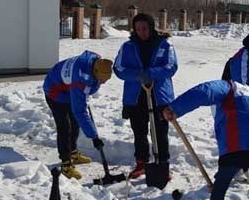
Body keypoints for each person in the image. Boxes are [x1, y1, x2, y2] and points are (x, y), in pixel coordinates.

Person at [114, 13, 178, 180]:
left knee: (160, 131)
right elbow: (118, 69)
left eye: (144, 28)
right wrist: (137, 75)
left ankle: (162, 164)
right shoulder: (127, 47)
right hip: (136, 96)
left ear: (151, 27)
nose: (142, 32)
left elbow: (171, 66)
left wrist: (151, 73)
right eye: (138, 29)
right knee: (139, 131)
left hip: (159, 95)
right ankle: (141, 162)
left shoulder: (165, 45)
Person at [42, 51, 113, 180]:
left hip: (68, 88)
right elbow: (80, 111)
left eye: (106, 79)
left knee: (75, 122)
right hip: (54, 91)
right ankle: (66, 163)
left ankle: (73, 153)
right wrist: (94, 137)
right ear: (95, 72)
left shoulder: (96, 62)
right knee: (64, 127)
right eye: (102, 79)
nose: (104, 83)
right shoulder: (81, 79)